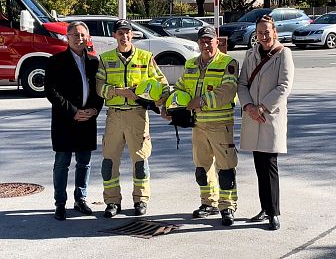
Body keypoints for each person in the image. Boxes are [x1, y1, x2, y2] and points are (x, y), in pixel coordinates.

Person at [163, 26, 239, 226]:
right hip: (198, 125)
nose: (206, 45)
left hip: (220, 124)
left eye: (209, 41)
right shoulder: (190, 64)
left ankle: (227, 206)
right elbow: (180, 87)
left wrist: (202, 101)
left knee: (226, 169)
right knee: (202, 168)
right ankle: (208, 203)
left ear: (217, 42)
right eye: (202, 41)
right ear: (198, 43)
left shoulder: (228, 63)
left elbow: (228, 91)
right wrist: (168, 106)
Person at [96, 19, 169, 218]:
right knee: (109, 161)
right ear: (114, 35)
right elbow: (99, 87)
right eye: (120, 33)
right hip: (115, 116)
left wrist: (161, 100)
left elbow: (162, 83)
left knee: (140, 160)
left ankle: (141, 200)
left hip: (138, 116)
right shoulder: (105, 59)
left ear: (132, 35)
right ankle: (112, 202)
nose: (124, 36)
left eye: (128, 32)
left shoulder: (146, 58)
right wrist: (117, 91)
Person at [237, 15, 294, 230]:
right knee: (259, 165)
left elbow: (284, 86)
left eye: (267, 32)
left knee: (270, 165)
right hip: (253, 117)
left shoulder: (283, 54)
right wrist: (249, 107)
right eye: (260, 32)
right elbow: (242, 84)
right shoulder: (250, 54)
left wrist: (262, 107)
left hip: (270, 116)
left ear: (275, 32)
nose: (263, 36)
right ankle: (264, 207)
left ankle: (274, 213)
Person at [44, 21, 104, 221]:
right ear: (67, 37)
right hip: (65, 121)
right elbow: (51, 92)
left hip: (88, 120)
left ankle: (81, 199)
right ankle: (60, 203)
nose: (79, 39)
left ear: (88, 38)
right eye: (75, 35)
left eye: (82, 35)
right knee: (62, 163)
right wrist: (73, 112)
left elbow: (100, 91)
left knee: (84, 163)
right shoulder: (55, 61)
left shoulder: (95, 62)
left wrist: (94, 110)